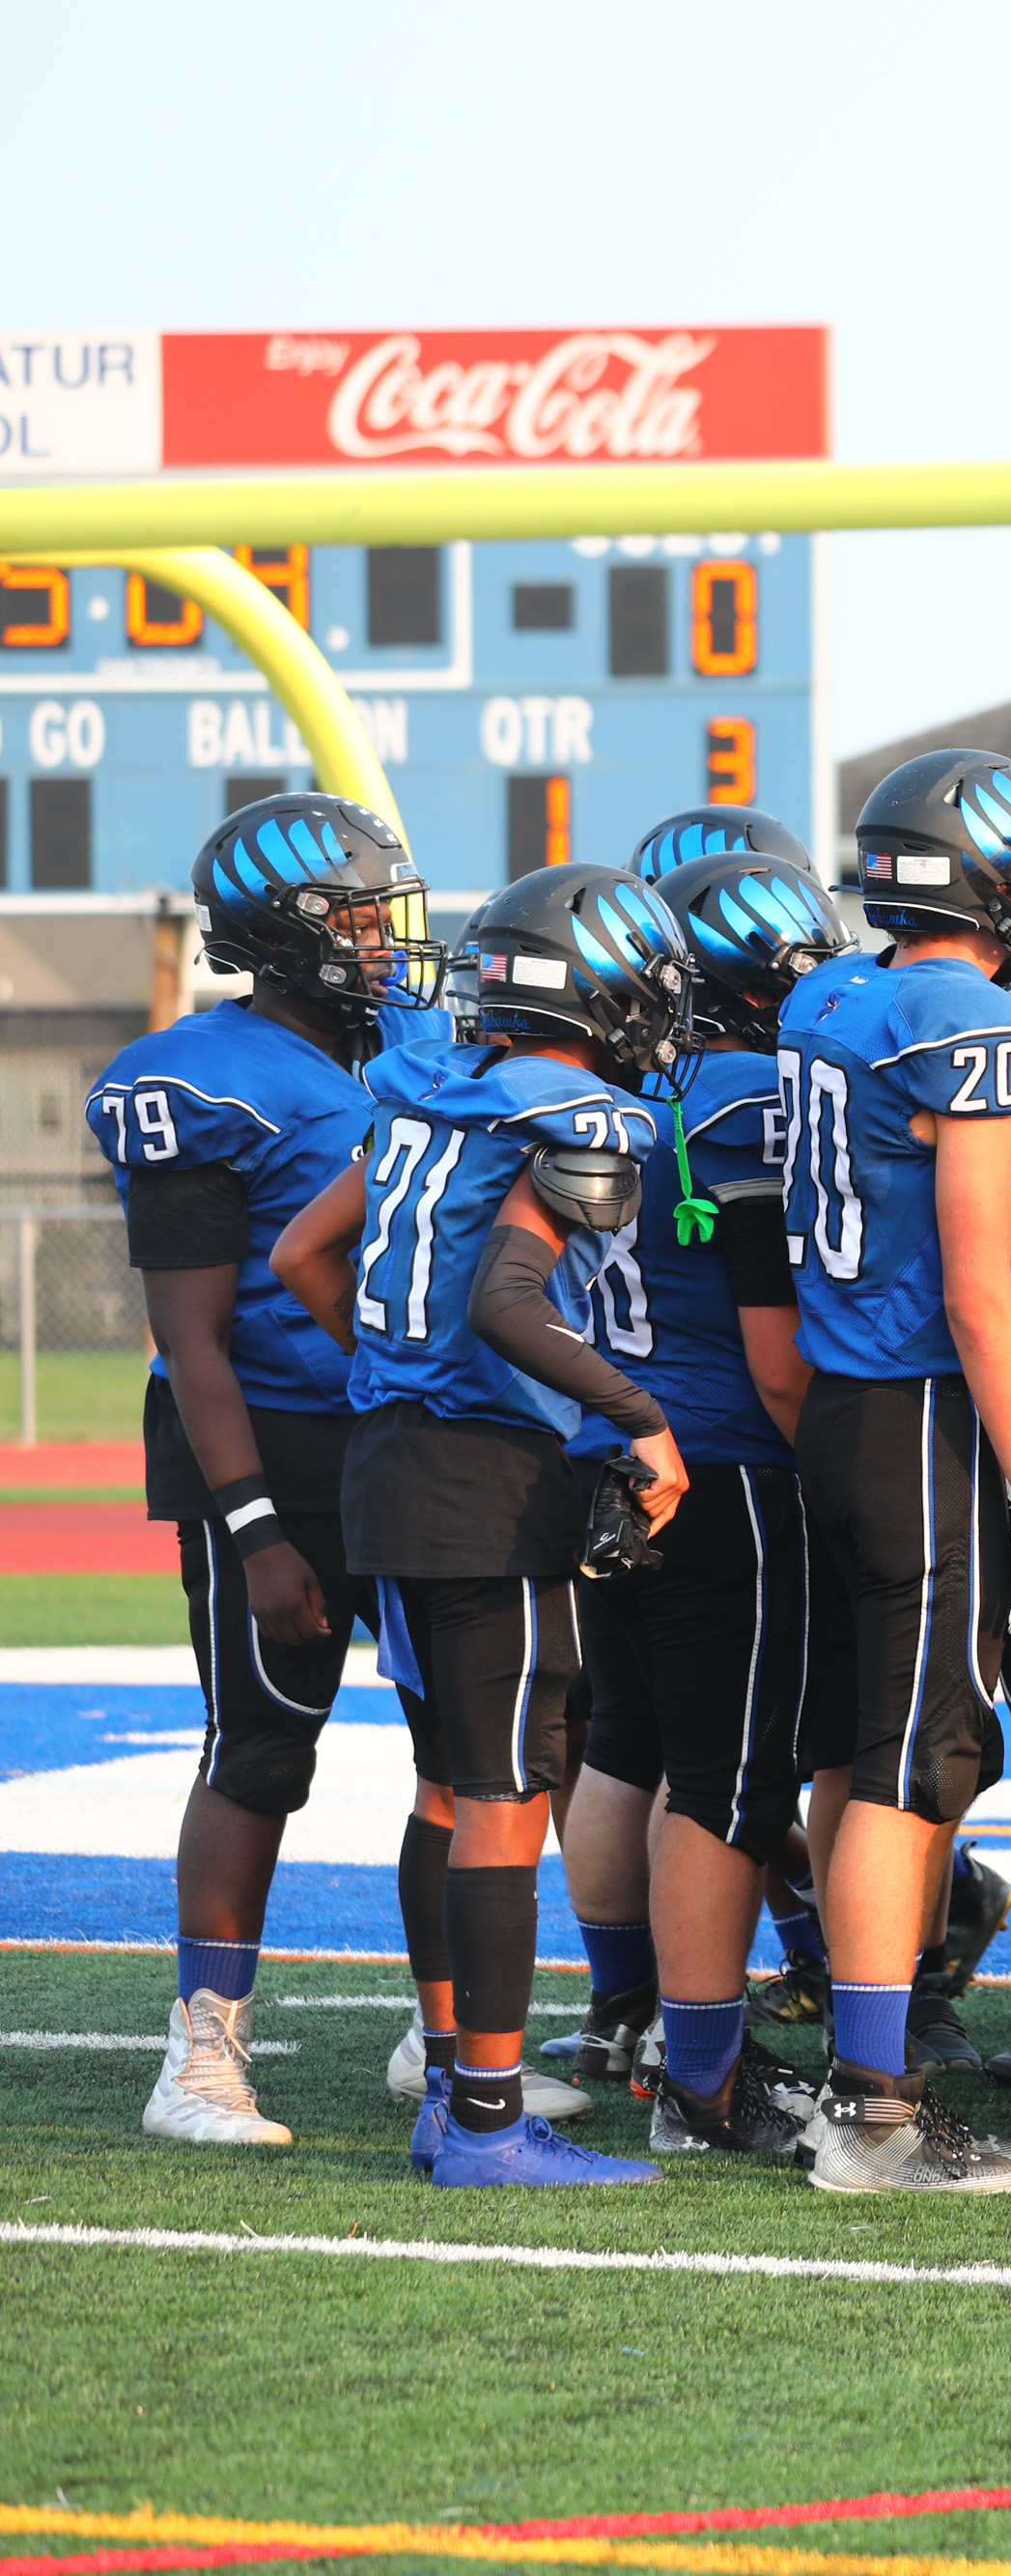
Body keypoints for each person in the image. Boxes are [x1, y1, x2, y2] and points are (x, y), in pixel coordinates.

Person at [271, 863, 696, 2187]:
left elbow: (301, 1255)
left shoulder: (422, 1094)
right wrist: (641, 1417)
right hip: (487, 1488)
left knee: (452, 1785)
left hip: (384, 1467)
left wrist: (401, 1377)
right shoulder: (576, 1112)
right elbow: (515, 1302)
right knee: (509, 1793)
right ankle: (488, 2117)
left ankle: (455, 2085)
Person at [90, 794, 440, 2147]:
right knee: (260, 1745)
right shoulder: (194, 1077)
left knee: (468, 1747)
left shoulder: (411, 1040)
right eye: (361, 912)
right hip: (270, 1441)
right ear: (287, 935)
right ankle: (201, 2052)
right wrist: (254, 1525)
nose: (389, 936)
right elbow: (191, 1337)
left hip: (409, 1437)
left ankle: (451, 2029)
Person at [771, 749, 1011, 2194]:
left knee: (856, 1748)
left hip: (836, 1402)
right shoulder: (972, 1016)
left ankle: (858, 2062)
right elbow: (977, 1289)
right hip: (918, 1413)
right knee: (912, 1764)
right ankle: (876, 2109)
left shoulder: (827, 995)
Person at [568, 841, 847, 2158]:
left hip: (607, 1454)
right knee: (725, 1781)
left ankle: (624, 2018)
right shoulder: (743, 1098)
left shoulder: (608, 1097)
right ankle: (704, 2076)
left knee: (622, 1744)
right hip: (725, 1463)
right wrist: (837, 1475)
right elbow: (778, 1353)